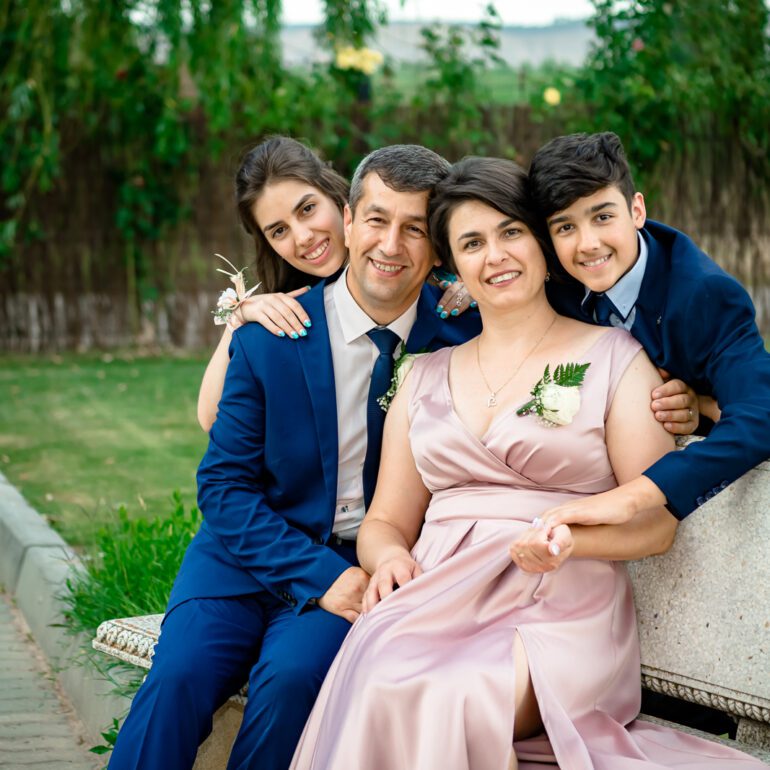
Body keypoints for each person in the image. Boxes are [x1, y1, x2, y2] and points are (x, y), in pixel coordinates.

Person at [289, 157, 767, 770]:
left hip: (560, 606)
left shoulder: (616, 358)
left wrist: (571, 542)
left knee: (454, 695)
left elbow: (657, 523)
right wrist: (388, 562)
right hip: (433, 596)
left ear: (542, 245)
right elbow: (384, 521)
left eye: (511, 232)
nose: (495, 257)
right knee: (380, 675)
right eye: (471, 243)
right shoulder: (423, 374)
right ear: (452, 265)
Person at [108, 144, 482, 770]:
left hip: (357, 566)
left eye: (414, 228)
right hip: (239, 560)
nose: (390, 245)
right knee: (177, 678)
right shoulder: (270, 334)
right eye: (378, 221)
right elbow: (223, 488)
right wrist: (320, 576)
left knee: (291, 684)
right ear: (353, 216)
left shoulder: (459, 339)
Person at [527, 131, 770, 532]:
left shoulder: (704, 295)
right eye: (565, 227)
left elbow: (761, 412)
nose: (588, 244)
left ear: (636, 210)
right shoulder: (555, 283)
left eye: (603, 217)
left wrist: (632, 498)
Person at [196, 136, 473, 432]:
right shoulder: (287, 316)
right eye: (279, 231)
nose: (303, 237)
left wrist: (471, 284)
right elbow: (212, 418)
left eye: (307, 209)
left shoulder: (425, 269)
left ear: (339, 201)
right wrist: (236, 322)